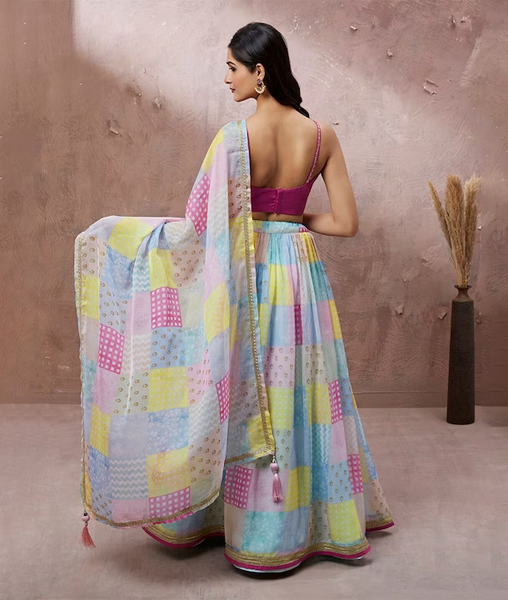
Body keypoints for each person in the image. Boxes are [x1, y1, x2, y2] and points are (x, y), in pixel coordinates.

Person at [140, 22, 394, 573]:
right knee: (301, 389)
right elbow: (346, 223)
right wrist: (292, 218)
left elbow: (199, 227)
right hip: (299, 272)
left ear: (260, 73)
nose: (226, 78)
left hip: (249, 270)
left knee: (236, 381)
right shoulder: (322, 136)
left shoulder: (233, 140)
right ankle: (310, 521)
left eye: (232, 68)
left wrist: (138, 240)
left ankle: (228, 517)